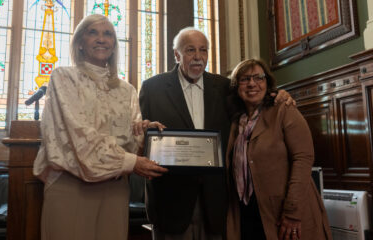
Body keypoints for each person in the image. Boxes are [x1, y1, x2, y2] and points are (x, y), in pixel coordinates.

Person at [139, 27, 294, 240]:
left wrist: (279, 95)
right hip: (171, 201)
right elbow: (141, 138)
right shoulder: (152, 88)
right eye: (190, 50)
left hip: (216, 201)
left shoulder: (224, 87)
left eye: (203, 50)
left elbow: (253, 100)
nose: (198, 57)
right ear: (177, 55)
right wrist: (142, 132)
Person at [33, 14, 167, 240]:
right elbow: (79, 135)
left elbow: (131, 147)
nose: (101, 39)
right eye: (92, 32)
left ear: (114, 45)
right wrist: (132, 161)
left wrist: (144, 133)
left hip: (115, 189)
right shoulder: (64, 78)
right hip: (71, 185)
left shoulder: (127, 90)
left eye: (108, 34)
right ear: (80, 43)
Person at [225, 59, 332, 240]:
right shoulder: (236, 122)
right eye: (245, 79)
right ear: (237, 86)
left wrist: (292, 211)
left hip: (285, 213)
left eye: (259, 78)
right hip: (247, 213)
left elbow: (303, 158)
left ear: (268, 82)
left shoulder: (284, 109)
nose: (252, 84)